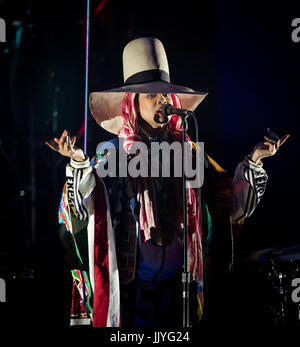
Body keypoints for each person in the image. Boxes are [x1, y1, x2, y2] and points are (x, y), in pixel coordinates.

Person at [45, 37, 289, 327]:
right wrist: (78, 162)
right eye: (151, 95)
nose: (161, 100)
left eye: (164, 94)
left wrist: (255, 161)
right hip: (133, 295)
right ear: (132, 103)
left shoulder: (190, 154)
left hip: (180, 294)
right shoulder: (112, 155)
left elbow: (231, 207)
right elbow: (82, 208)